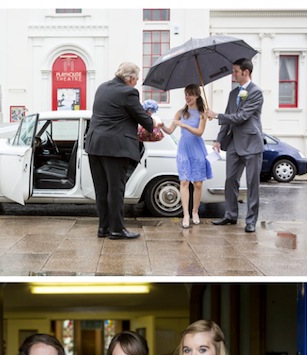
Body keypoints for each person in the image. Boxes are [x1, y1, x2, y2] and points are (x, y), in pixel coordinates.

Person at [85, 61, 157, 239]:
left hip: (94, 145)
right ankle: (117, 229)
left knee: (101, 190)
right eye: (136, 79)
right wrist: (153, 120)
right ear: (130, 78)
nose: (136, 83)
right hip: (114, 148)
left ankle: (103, 228)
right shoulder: (128, 92)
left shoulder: (102, 87)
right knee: (116, 190)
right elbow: (144, 120)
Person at [213, 59, 264, 233]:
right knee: (230, 181)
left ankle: (251, 221)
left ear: (246, 72)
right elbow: (228, 117)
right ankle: (230, 215)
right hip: (234, 143)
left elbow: (241, 116)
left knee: (252, 184)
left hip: (251, 143)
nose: (233, 74)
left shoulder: (256, 92)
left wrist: (215, 115)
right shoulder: (233, 93)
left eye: (235, 71)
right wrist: (219, 139)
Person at [161, 85, 212, 228]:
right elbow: (170, 130)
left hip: (197, 149)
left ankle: (195, 211)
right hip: (183, 149)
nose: (187, 98)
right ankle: (186, 215)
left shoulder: (203, 113)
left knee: (198, 183)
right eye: (186, 95)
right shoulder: (180, 113)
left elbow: (199, 132)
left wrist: (183, 125)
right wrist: (162, 126)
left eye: (190, 95)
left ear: (197, 96)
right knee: (184, 182)